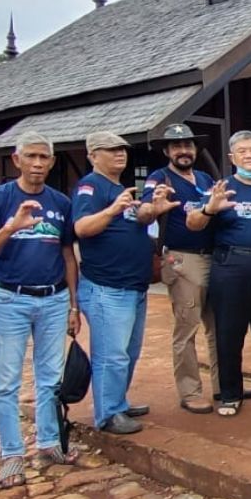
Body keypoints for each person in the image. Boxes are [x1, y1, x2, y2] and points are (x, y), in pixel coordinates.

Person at [0, 133, 81, 487]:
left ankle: (49, 443)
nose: (37, 164)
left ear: (51, 162)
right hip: (10, 299)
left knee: (50, 377)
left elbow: (67, 255)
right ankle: (12, 454)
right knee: (6, 382)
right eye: (30, 156)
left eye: (43, 157)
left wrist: (73, 304)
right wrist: (10, 227)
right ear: (16, 160)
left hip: (53, 299)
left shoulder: (60, 202)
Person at [73, 132, 176, 434]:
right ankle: (108, 414)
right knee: (111, 354)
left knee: (127, 352)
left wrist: (153, 210)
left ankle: (117, 401)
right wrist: (110, 210)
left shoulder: (119, 188)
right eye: (112, 149)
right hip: (108, 287)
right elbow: (81, 227)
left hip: (133, 285)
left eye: (123, 149)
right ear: (93, 155)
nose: (121, 154)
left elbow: (135, 222)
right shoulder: (90, 187)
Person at [186, 131, 251, 416]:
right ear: (232, 158)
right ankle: (230, 393)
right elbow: (193, 222)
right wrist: (209, 209)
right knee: (229, 332)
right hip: (230, 266)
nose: (249, 155)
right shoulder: (221, 187)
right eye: (242, 151)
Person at [142, 123, 218, 414]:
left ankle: (225, 384)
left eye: (188, 146)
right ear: (167, 151)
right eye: (177, 146)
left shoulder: (204, 178)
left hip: (213, 257)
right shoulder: (159, 178)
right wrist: (153, 207)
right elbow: (147, 209)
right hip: (183, 259)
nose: (183, 151)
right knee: (187, 327)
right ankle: (190, 391)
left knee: (218, 326)